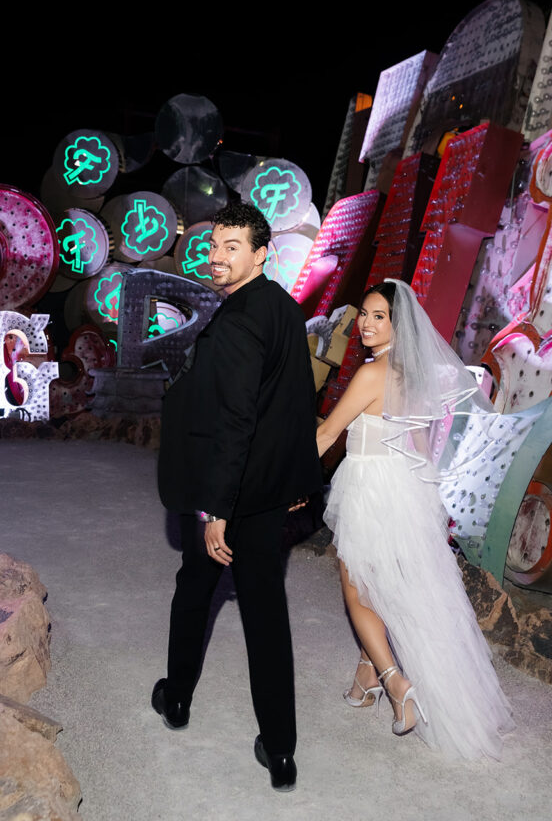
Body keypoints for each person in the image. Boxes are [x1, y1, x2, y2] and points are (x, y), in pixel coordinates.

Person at [154, 202, 322, 791]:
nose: (217, 257)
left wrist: (214, 511)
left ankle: (177, 698)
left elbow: (235, 421)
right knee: (266, 615)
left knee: (194, 591)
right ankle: (281, 750)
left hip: (229, 495)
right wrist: (297, 480)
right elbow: (296, 401)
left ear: (260, 254)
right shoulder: (284, 307)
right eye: (213, 245)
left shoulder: (238, 322)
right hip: (269, 491)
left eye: (232, 247)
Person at [316, 279, 514, 760]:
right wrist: (429, 503)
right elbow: (422, 446)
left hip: (368, 486)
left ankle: (394, 682)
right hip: (407, 487)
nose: (366, 324)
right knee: (386, 588)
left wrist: (278, 479)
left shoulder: (371, 375)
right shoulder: (417, 377)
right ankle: (366, 679)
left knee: (357, 589)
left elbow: (326, 433)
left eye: (378, 316)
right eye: (364, 314)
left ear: (398, 325)